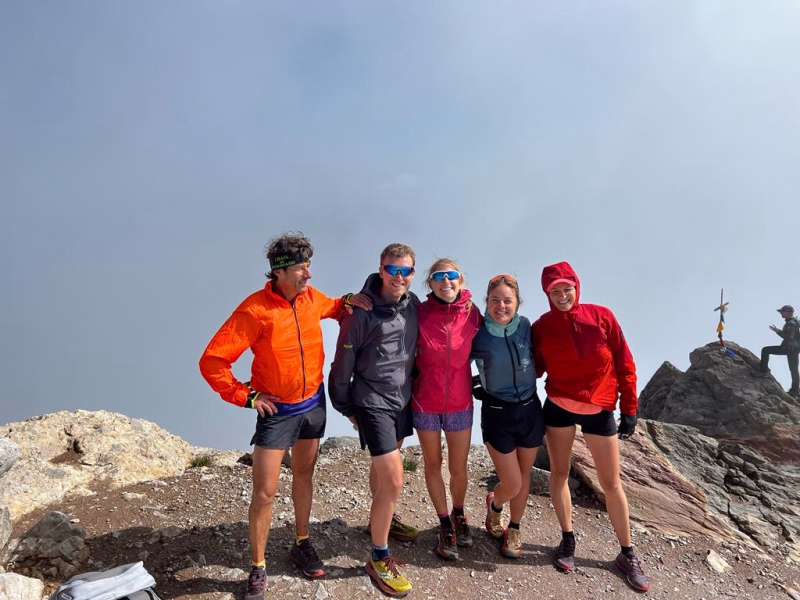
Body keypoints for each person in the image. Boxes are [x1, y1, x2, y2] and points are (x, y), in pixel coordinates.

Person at [199, 233, 369, 600]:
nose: (309, 274)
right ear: (279, 272)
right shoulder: (254, 310)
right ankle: (258, 566)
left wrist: (347, 301)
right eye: (301, 269)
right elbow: (212, 361)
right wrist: (246, 396)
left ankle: (301, 543)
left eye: (309, 266)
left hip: (313, 405)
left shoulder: (309, 297)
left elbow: (333, 306)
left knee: (304, 475)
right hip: (277, 413)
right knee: (264, 493)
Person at [531, 261, 649, 592]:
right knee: (559, 474)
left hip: (599, 410)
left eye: (567, 288)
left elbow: (625, 362)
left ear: (576, 287)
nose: (562, 295)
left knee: (611, 483)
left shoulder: (602, 316)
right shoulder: (541, 327)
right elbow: (533, 368)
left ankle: (627, 553)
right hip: (559, 406)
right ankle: (567, 540)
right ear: (547, 294)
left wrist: (629, 408)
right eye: (555, 290)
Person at [329, 243, 420, 598]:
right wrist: (346, 407)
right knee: (394, 479)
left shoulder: (412, 305)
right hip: (371, 401)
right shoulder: (360, 312)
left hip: (401, 399)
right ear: (381, 270)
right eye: (392, 269)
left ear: (412, 273)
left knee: (385, 474)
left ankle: (379, 521)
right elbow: (342, 364)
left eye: (405, 270)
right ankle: (379, 558)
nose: (398, 276)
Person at [411, 259, 482, 561]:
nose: (446, 281)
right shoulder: (419, 313)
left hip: (460, 402)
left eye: (451, 276)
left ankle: (459, 513)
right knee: (432, 463)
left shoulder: (473, 313)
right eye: (438, 277)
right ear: (430, 283)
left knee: (458, 467)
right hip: (424, 401)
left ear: (460, 280)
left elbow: (490, 345)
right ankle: (444, 524)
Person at [470, 274, 543, 559]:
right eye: (495, 300)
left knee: (524, 476)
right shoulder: (477, 333)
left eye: (507, 301)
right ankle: (495, 505)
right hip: (497, 412)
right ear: (486, 302)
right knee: (512, 483)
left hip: (530, 410)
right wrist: (473, 383)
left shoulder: (525, 326)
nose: (501, 306)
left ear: (517, 303)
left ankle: (514, 528)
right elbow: (453, 361)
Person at [754, 304, 800, 397]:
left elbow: (789, 338)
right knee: (793, 370)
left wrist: (778, 331)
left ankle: (764, 371)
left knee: (766, 350)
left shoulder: (791, 323)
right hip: (790, 349)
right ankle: (795, 390)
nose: (781, 313)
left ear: (788, 312)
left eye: (782, 311)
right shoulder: (791, 322)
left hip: (791, 350)